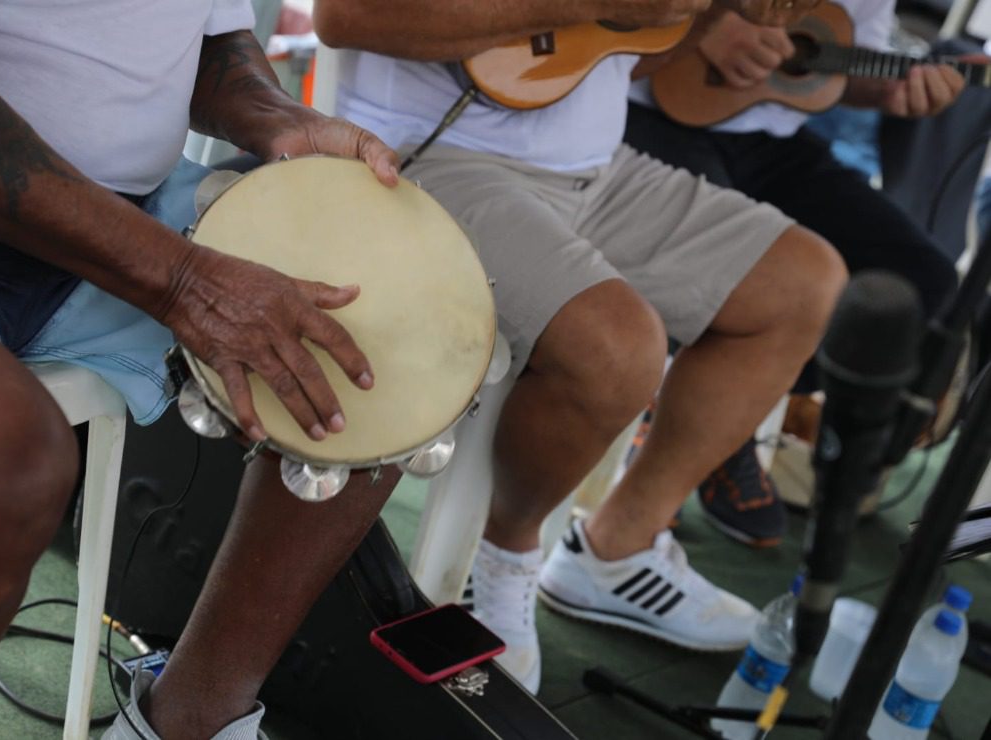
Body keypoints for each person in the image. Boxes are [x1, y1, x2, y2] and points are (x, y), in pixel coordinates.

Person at [0, 2, 407, 738]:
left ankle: (186, 720)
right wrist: (183, 280)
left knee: (382, 344)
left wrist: (272, 112)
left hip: (108, 213)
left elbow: (207, 41)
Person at [316, 0, 847, 694]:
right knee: (617, 350)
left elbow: (622, 52)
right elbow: (344, 18)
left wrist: (703, 12)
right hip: (421, 157)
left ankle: (615, 550)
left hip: (598, 172)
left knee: (803, 284)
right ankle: (505, 557)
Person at [624, 0, 962, 547]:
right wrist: (700, 26)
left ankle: (728, 414)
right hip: (638, 106)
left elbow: (840, 68)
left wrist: (894, 89)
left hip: (766, 137)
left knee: (924, 284)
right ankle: (697, 428)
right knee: (731, 266)